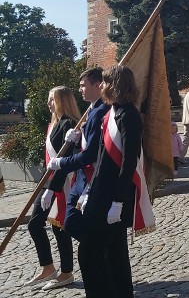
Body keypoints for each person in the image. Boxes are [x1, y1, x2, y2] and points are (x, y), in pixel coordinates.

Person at [80, 64, 146, 298]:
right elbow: (101, 158)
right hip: (101, 192)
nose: (102, 86)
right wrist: (89, 189)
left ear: (116, 85)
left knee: (94, 251)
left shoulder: (129, 115)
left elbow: (129, 162)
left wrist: (118, 201)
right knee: (112, 252)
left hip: (114, 197)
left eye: (106, 82)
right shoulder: (111, 113)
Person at [26, 86, 79, 290]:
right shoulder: (54, 125)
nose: (48, 103)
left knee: (59, 228)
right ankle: (48, 267)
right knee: (35, 224)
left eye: (52, 100)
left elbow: (65, 160)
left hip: (61, 183)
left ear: (62, 101)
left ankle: (66, 272)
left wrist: (53, 188)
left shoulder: (69, 125)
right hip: (48, 182)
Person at [47, 68, 109, 243]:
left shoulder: (100, 111)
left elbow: (91, 153)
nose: (80, 89)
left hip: (90, 178)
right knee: (72, 223)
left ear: (98, 85)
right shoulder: (92, 109)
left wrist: (61, 163)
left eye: (83, 85)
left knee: (77, 226)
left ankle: (99, 255)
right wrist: (77, 140)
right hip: (82, 179)